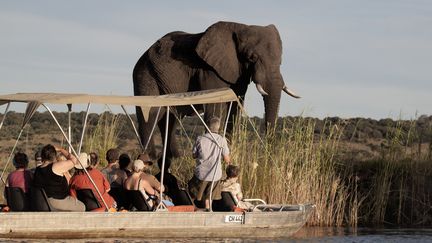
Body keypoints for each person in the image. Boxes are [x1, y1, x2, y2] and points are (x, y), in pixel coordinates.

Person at [188, 117, 231, 210]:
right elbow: (227, 159)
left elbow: (194, 155)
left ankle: (192, 208)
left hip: (201, 173)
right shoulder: (222, 140)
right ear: (218, 127)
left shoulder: (200, 138)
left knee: (193, 191)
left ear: (207, 127)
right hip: (215, 174)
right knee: (209, 197)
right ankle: (208, 209)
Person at [33, 144, 85, 211]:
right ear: (54, 156)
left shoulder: (37, 170)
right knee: (82, 207)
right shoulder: (55, 167)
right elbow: (74, 160)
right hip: (57, 201)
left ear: (42, 156)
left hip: (43, 201)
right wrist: (61, 150)